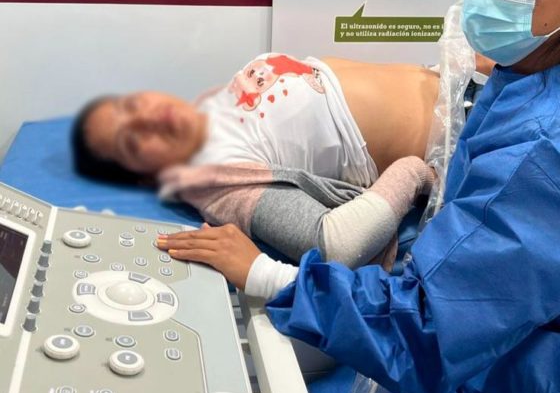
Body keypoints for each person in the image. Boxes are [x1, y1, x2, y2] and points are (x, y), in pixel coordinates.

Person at [156, 0, 560, 393]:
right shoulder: (520, 83)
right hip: (487, 359)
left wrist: (264, 274)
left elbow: (422, 319)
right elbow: (372, 236)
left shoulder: (537, 148)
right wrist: (412, 184)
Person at [73, 53, 446, 266]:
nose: (147, 117)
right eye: (132, 140)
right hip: (459, 134)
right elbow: (337, 244)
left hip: (449, 77)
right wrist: (416, 175)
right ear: (144, 176)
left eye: (130, 105)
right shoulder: (212, 179)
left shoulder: (212, 104)